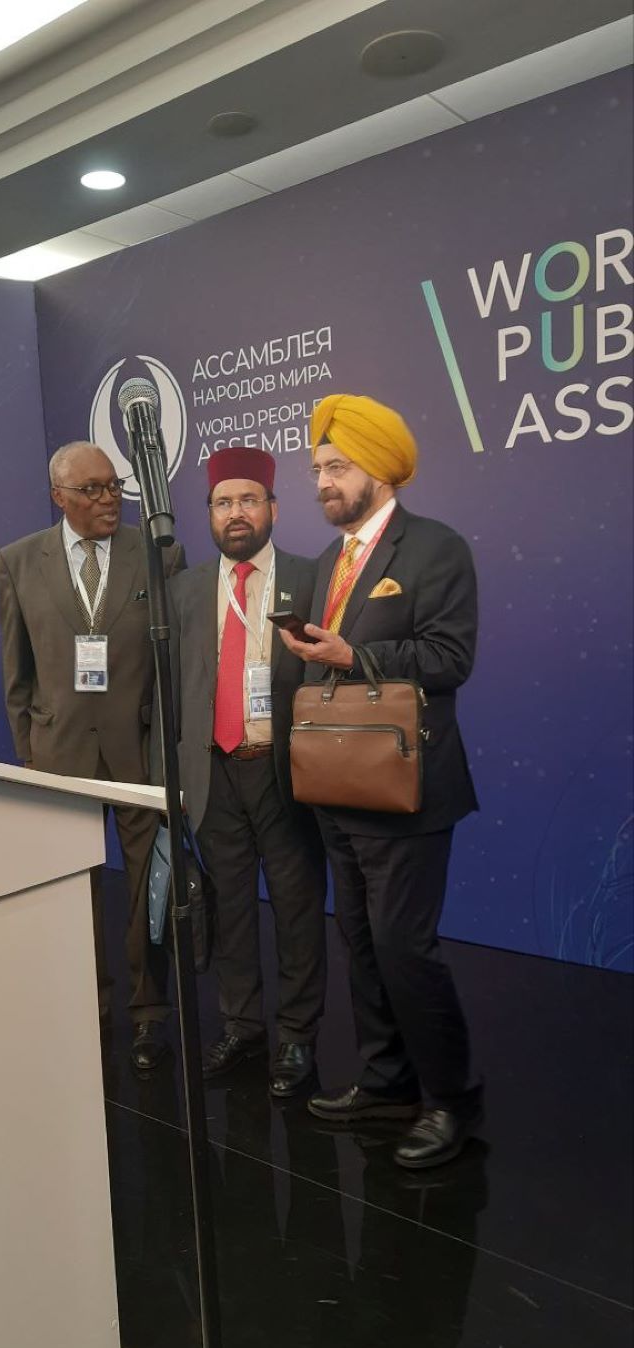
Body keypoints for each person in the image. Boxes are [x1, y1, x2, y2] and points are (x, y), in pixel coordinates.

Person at [279, 394, 482, 1167]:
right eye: (316, 471)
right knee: (361, 943)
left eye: (336, 467)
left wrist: (353, 656)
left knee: (404, 947)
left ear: (380, 469)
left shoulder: (435, 548)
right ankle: (387, 1083)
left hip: (406, 787)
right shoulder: (329, 562)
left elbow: (450, 659)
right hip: (336, 783)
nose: (322, 483)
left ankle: (451, 1100)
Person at [0, 440, 185, 1071]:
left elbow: (172, 666)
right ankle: (88, 1000)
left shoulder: (158, 554)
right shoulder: (19, 561)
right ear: (59, 497)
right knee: (75, 888)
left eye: (114, 486)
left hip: (138, 751)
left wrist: (168, 752)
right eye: (92, 490)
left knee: (146, 887)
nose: (109, 499)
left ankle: (149, 1012)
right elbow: (17, 671)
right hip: (60, 753)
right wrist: (29, 753)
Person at [163, 445, 327, 1097]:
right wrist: (174, 776)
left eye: (248, 500)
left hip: (285, 771)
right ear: (209, 512)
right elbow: (172, 687)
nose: (236, 513)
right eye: (223, 502)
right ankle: (242, 1026)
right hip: (213, 770)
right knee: (229, 905)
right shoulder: (185, 589)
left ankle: (296, 1035)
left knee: (295, 907)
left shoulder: (310, 578)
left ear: (273, 509)